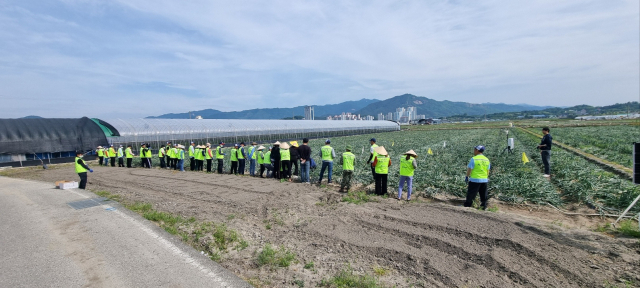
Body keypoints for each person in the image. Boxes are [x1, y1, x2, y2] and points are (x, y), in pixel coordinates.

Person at [464, 145, 491, 210]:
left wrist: (467, 176)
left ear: (477, 150)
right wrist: (486, 177)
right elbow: (488, 170)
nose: (474, 151)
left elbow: (469, 169)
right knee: (483, 195)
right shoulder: (486, 159)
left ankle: (467, 206)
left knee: (471, 194)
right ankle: (483, 207)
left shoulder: (474, 159)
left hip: (475, 180)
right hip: (484, 180)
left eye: (474, 149)